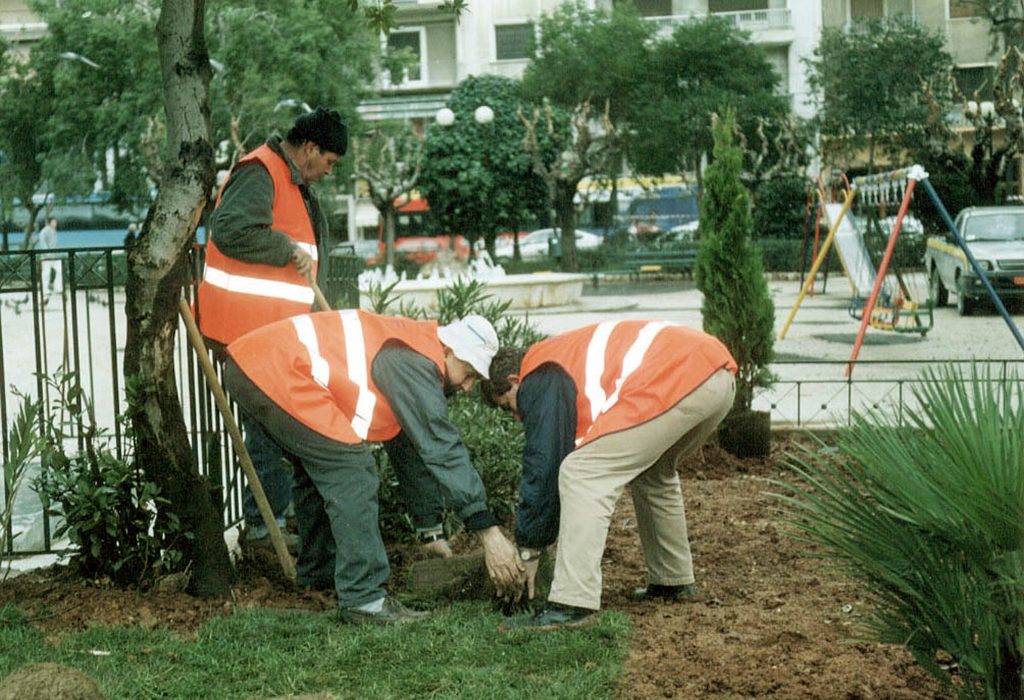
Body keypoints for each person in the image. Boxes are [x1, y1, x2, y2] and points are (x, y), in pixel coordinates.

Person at [221, 309, 523, 624]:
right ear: (448, 350)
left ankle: (319, 575)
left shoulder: (411, 350)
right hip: (272, 369)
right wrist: (488, 532)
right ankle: (365, 599)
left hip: (256, 365)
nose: (467, 387)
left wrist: (430, 531)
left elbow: (409, 450)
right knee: (352, 471)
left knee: (323, 468)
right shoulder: (416, 361)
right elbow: (441, 447)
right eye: (469, 373)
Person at [481, 320, 737, 631]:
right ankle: (672, 580)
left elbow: (545, 462)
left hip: (680, 377)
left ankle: (572, 603)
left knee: (582, 473)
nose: (518, 416)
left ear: (513, 379)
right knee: (654, 473)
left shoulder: (539, 371)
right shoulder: (561, 356)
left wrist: (530, 547)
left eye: (509, 405)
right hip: (716, 380)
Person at [195, 106, 348, 553]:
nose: (328, 172)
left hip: (271, 333)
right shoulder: (260, 171)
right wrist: (283, 247)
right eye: (329, 163)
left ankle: (273, 521)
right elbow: (230, 230)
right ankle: (264, 528)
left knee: (274, 430)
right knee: (264, 431)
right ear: (312, 149)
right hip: (244, 331)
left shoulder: (290, 180)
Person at [33, 217, 62, 299]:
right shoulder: (44, 231)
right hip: (47, 257)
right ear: (50, 223)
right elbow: (43, 243)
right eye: (53, 222)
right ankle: (45, 290)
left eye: (56, 222)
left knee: (59, 271)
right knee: (46, 273)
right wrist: (47, 253)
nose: (55, 224)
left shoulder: (54, 231)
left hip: (56, 256)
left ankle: (58, 288)